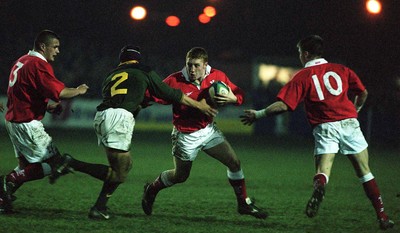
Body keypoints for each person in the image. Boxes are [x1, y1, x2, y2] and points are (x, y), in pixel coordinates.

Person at [240, 35, 394, 230]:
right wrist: (355, 111)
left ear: (305, 54)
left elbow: (284, 105)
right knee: (365, 171)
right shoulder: (341, 69)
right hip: (349, 123)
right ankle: (382, 216)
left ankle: (320, 186)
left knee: (323, 170)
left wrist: (259, 114)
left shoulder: (303, 76)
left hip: (325, 126)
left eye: (299, 53)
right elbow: (363, 92)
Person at [91, 45, 217, 220]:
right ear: (138, 60)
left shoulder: (111, 74)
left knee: (123, 167)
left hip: (101, 116)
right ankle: (70, 164)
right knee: (119, 171)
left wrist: (138, 103)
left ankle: (99, 206)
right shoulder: (143, 71)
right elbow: (170, 93)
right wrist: (199, 105)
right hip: (119, 117)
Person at [0, 30, 117, 216]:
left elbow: (26, 93)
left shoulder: (21, 61)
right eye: (55, 47)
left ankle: (2, 197)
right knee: (54, 164)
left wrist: (45, 106)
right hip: (27, 122)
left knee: (25, 166)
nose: (57, 51)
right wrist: (78, 90)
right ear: (42, 46)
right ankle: (6, 182)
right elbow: (61, 92)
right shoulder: (38, 64)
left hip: (14, 120)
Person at [141, 47, 267, 219]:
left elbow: (239, 94)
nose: (192, 70)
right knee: (180, 176)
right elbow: (150, 95)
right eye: (189, 65)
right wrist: (136, 103)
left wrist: (233, 98)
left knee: (234, 163)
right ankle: (152, 188)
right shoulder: (175, 80)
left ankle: (243, 204)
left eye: (196, 66)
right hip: (185, 136)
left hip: (208, 131)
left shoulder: (217, 77)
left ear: (205, 65)